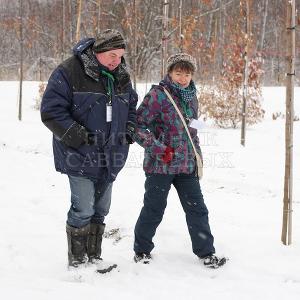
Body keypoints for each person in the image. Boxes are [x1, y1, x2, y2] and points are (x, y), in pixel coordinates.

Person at [40, 29, 137, 268]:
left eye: (121, 55)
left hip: (111, 155)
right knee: (83, 207)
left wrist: (130, 127)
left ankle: (94, 258)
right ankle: (77, 262)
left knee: (101, 209)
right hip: (79, 154)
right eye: (112, 55)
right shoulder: (70, 71)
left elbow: (131, 105)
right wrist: (79, 136)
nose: (117, 60)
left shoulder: (121, 75)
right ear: (98, 51)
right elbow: (51, 111)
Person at [132, 53, 226, 268]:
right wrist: (159, 149)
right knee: (154, 209)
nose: (183, 78)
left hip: (186, 165)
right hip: (160, 166)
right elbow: (137, 126)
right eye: (178, 73)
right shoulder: (158, 95)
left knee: (197, 209)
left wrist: (197, 157)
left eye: (187, 73)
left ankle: (206, 253)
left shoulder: (191, 97)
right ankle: (142, 250)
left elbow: (192, 131)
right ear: (170, 72)